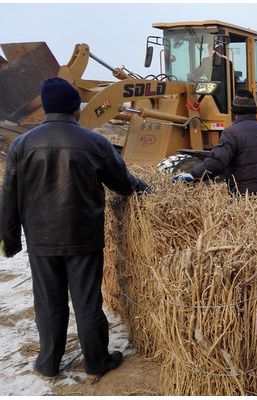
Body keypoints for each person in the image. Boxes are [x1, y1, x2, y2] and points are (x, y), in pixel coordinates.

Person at [0, 77, 149, 378]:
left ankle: (48, 363)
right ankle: (97, 361)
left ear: (46, 107)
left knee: (48, 301)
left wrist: (10, 239)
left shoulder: (22, 144)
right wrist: (145, 188)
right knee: (87, 301)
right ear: (74, 108)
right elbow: (122, 184)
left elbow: (9, 196)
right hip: (83, 236)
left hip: (41, 238)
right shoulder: (95, 142)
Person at [173, 89, 257, 195]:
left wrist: (193, 175)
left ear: (234, 112)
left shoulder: (231, 133)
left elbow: (217, 162)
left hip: (243, 198)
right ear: (254, 111)